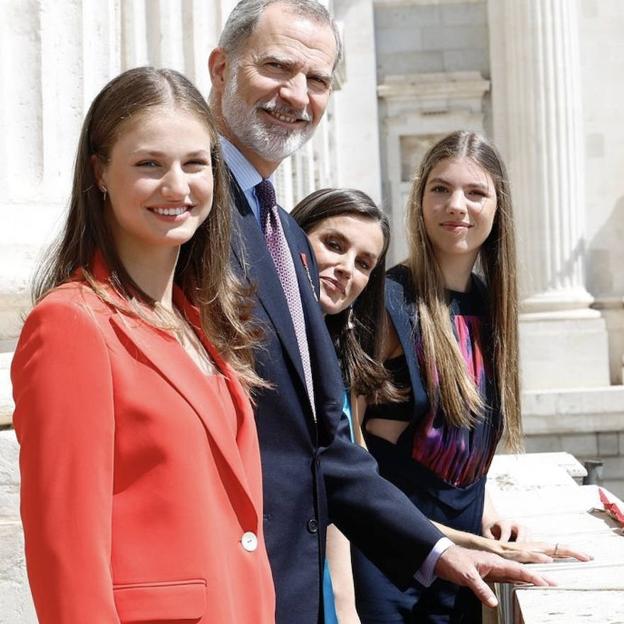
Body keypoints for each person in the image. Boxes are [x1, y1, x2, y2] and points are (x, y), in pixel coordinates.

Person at [208, 2, 553, 622]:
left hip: (400, 557)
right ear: (220, 67)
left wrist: (457, 532)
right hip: (305, 573)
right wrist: (344, 590)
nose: (297, 94)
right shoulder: (199, 218)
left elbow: (327, 448)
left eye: (316, 80)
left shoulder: (281, 234)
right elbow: (347, 443)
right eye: (277, 67)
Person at [11, 67, 275, 624]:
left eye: (195, 164)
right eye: (149, 164)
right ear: (100, 172)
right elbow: (67, 556)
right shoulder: (71, 325)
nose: (178, 187)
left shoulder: (202, 321)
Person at [292, 188, 592, 623]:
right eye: (333, 245)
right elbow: (347, 478)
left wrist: (482, 524)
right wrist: (345, 602)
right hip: (367, 567)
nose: (345, 268)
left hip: (439, 555)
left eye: (363, 262)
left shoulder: (486, 303)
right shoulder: (386, 308)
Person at [348, 130, 530, 623]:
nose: (457, 206)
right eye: (440, 189)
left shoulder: (491, 306)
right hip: (392, 553)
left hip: (467, 554)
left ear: (498, 207)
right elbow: (348, 444)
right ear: (420, 200)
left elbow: (466, 427)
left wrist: (485, 500)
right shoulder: (385, 302)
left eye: (476, 192)